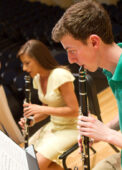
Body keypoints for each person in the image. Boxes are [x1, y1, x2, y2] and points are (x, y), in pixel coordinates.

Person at [52, 0, 122, 169]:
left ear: (94, 42)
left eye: (72, 51)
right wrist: (101, 129)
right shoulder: (111, 70)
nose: (70, 60)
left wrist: (108, 134)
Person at [17, 39, 79, 170]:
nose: (24, 68)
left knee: (36, 165)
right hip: (55, 126)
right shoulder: (38, 79)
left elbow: (73, 110)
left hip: (72, 127)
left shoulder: (60, 75)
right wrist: (32, 120)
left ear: (39, 59)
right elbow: (46, 109)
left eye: (27, 63)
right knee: (26, 158)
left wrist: (38, 108)